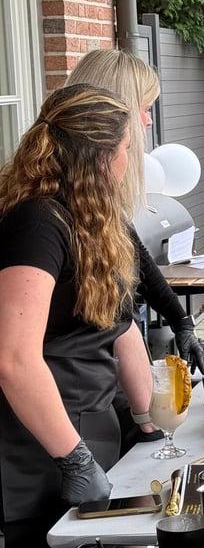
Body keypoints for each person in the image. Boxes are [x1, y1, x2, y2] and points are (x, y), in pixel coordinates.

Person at [0, 84, 137, 547]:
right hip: (40, 450)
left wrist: (145, 417)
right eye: (125, 149)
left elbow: (116, 324)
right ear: (100, 158)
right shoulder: (38, 223)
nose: (127, 161)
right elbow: (14, 359)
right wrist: (74, 458)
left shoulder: (84, 218)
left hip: (85, 427)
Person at [66, 49, 204, 452]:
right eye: (145, 108)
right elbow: (118, 316)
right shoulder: (62, 208)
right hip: (76, 396)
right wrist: (146, 418)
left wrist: (180, 321)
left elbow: (134, 251)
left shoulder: (95, 189)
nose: (148, 121)